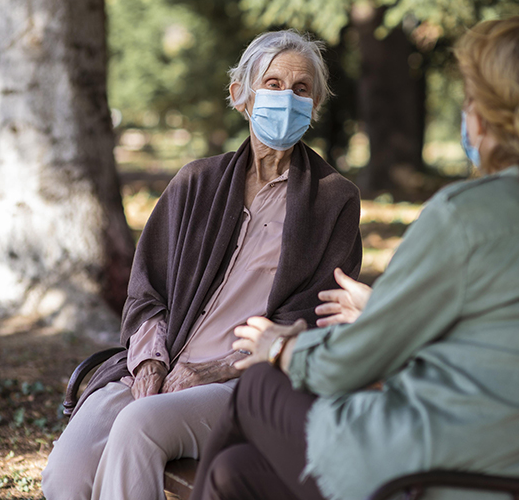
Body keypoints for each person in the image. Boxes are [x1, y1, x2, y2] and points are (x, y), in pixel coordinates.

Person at [190, 16, 519, 500]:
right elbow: (509, 343)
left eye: (469, 98)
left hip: (430, 472)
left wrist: (281, 348)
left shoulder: (468, 214)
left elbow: (347, 366)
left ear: (486, 114)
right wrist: (385, 312)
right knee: (234, 473)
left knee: (258, 386)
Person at [41, 29, 362, 500]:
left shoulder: (332, 200)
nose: (286, 98)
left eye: (301, 89)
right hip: (158, 368)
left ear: (315, 106)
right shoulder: (196, 182)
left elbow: (311, 316)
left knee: (139, 426)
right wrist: (150, 364)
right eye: (272, 84)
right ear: (241, 96)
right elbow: (146, 289)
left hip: (242, 383)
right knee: (64, 476)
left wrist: (211, 371)